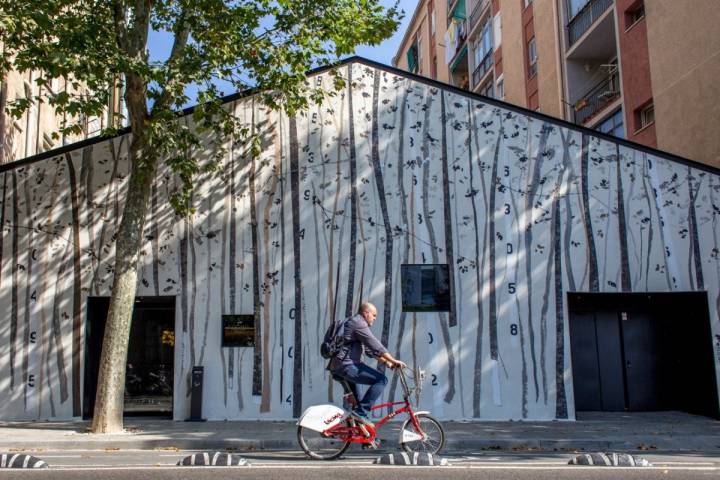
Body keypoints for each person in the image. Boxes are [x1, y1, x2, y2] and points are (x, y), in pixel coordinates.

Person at [329, 302, 406, 426]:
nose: (375, 319)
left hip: (340, 367)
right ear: (366, 313)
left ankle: (366, 439)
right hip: (347, 366)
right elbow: (375, 345)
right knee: (381, 380)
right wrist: (394, 360)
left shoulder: (353, 323)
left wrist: (387, 363)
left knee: (359, 404)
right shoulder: (358, 323)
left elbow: (369, 350)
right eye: (374, 315)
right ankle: (361, 413)